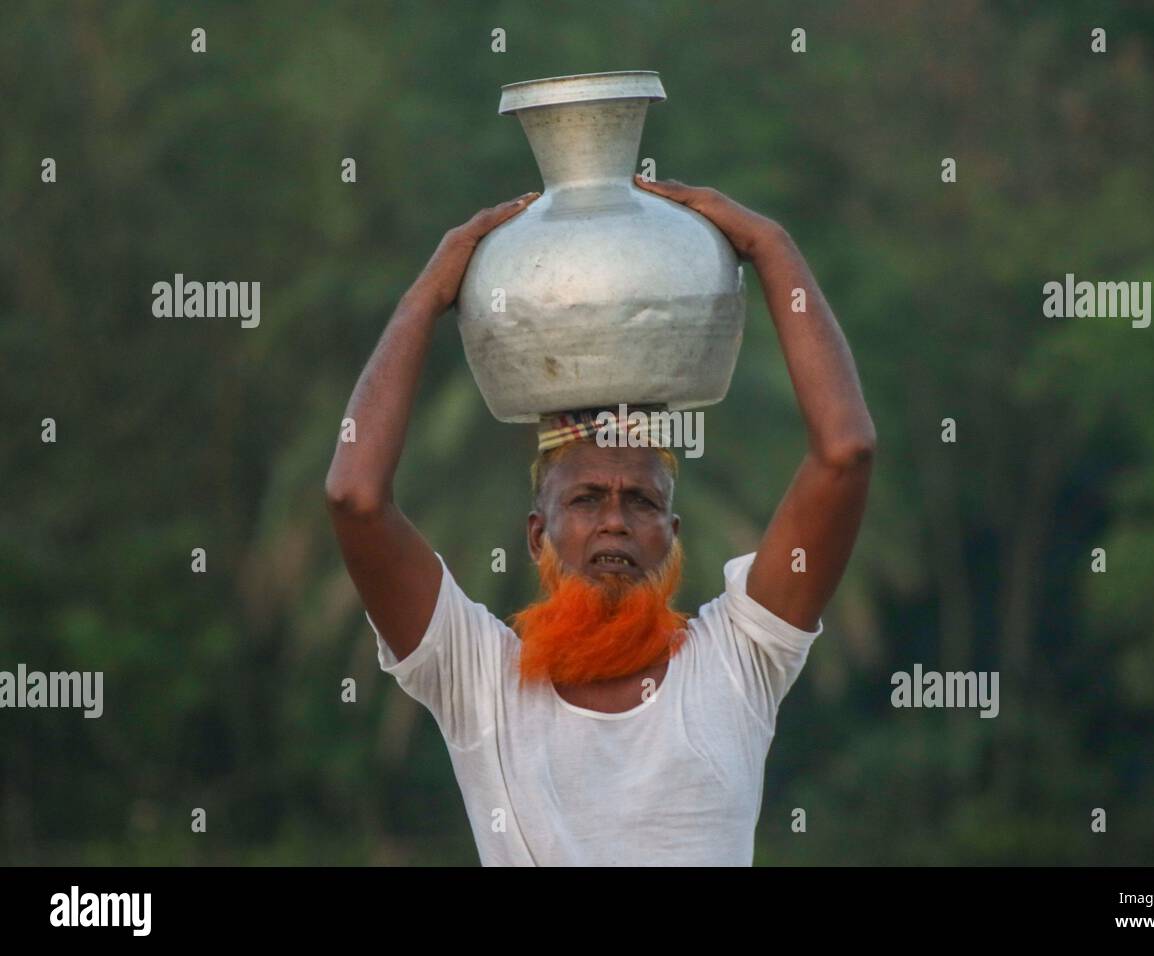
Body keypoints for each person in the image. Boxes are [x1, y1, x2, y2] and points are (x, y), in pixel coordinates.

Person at [325, 175, 877, 865]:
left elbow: (845, 453)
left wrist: (771, 246)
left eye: (641, 502)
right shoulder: (479, 683)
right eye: (586, 499)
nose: (615, 522)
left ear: (672, 540)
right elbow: (355, 497)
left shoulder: (738, 661)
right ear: (537, 534)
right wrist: (426, 296)